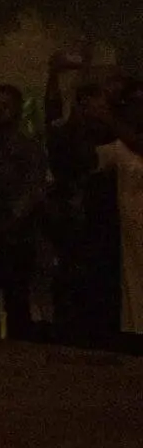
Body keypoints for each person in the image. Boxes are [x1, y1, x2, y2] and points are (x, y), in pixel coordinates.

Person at [45, 57, 126, 349]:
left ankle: (95, 334)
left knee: (97, 280)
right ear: (83, 104)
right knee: (72, 278)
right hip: (74, 217)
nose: (102, 108)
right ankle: (72, 333)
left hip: (99, 218)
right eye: (97, 102)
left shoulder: (108, 133)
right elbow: (51, 113)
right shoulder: (68, 132)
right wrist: (53, 75)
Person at [0, 83, 47, 339]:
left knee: (16, 299)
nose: (0, 111)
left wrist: (12, 219)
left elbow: (33, 190)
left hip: (16, 236)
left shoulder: (28, 148)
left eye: (5, 105)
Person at [84, 80, 143, 345]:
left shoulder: (129, 145)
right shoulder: (120, 149)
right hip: (132, 234)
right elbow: (79, 157)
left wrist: (107, 116)